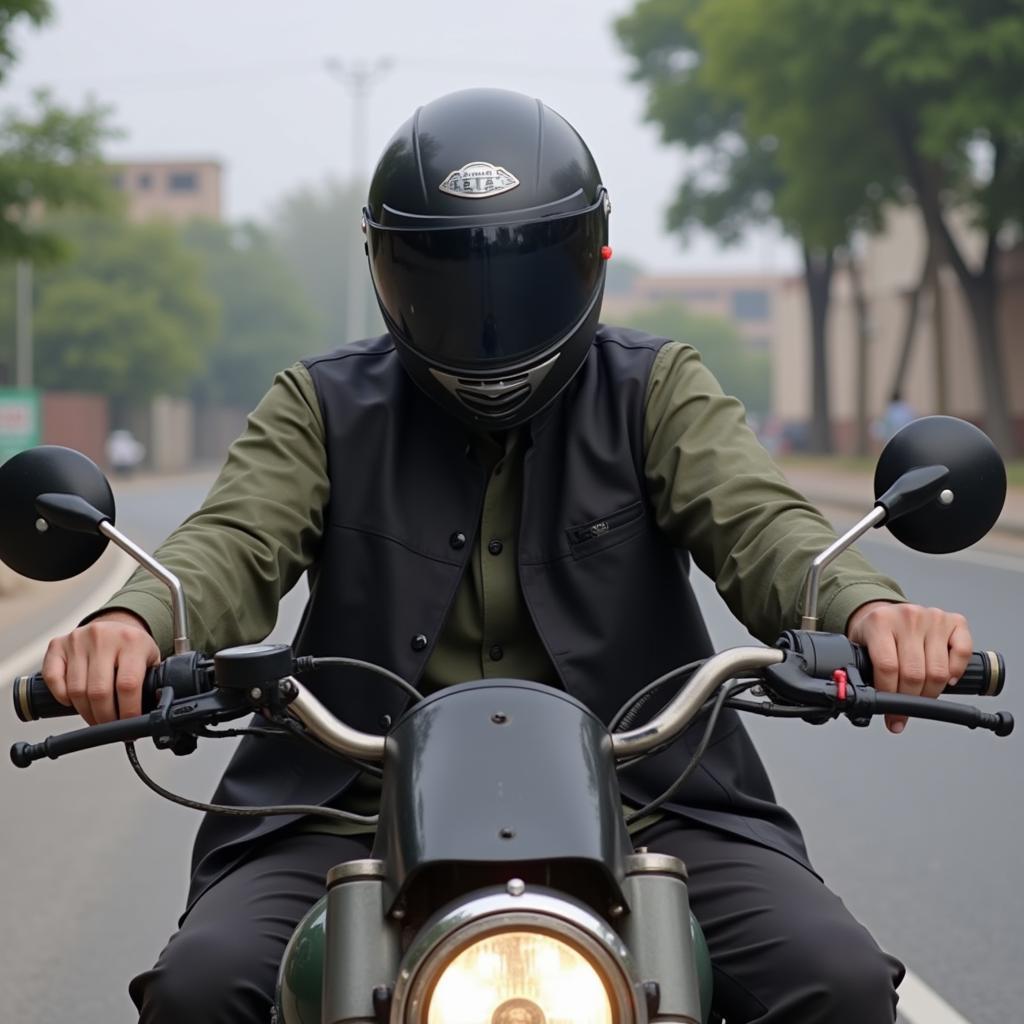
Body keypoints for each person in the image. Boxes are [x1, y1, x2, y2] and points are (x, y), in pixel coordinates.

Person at [41, 89, 973, 1024]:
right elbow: (231, 542)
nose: (487, 321)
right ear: (383, 270)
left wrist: (863, 608)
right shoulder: (323, 407)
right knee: (203, 989)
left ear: (592, 255)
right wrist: (135, 621)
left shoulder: (656, 390)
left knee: (837, 982)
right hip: (348, 805)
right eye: (443, 278)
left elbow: (764, 525)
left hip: (647, 796)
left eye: (525, 276)